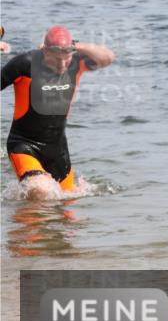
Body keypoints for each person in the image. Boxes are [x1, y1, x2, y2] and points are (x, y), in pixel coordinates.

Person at [1, 26, 115, 199]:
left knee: (68, 206)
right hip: (25, 145)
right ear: (45, 50)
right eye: (56, 60)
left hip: (57, 149)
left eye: (66, 59)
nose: (62, 66)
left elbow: (107, 58)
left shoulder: (77, 63)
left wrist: (75, 46)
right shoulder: (25, 64)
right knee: (41, 190)